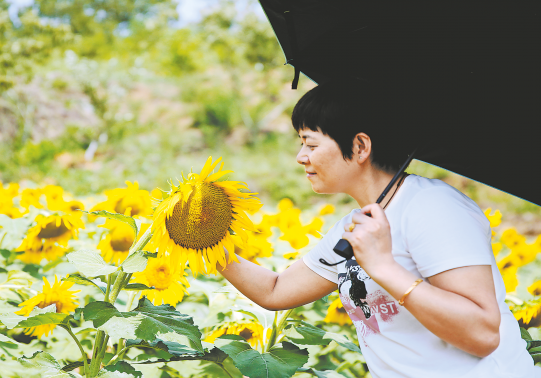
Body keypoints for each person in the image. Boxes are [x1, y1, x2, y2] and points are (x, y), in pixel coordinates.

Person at [217, 81, 538, 378]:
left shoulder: (433, 208)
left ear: (359, 146)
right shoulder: (357, 225)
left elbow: (483, 334)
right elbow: (276, 290)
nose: (301, 157)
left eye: (309, 143)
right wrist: (203, 241)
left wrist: (384, 267)